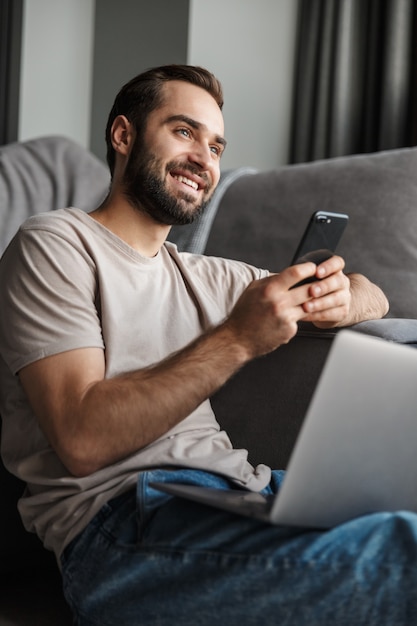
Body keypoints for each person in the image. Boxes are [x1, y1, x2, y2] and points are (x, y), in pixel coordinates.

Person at [3, 64, 416, 626]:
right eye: (183, 132)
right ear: (123, 135)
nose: (204, 157)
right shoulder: (55, 244)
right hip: (123, 525)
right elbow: (81, 438)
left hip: (246, 491)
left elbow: (374, 293)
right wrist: (239, 338)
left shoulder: (205, 275)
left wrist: (346, 297)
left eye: (216, 145)